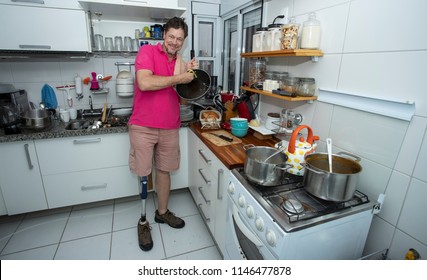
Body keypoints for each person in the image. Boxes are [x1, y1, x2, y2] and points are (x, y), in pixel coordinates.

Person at [128, 17, 198, 251]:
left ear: (183, 41)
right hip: (143, 125)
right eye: (171, 37)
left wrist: (191, 79)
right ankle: (143, 220)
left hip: (170, 125)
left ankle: (162, 212)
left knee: (165, 171)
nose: (175, 42)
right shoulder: (147, 52)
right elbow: (145, 83)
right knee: (144, 172)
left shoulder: (181, 63)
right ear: (164, 35)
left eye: (179, 39)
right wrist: (180, 78)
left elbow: (183, 98)